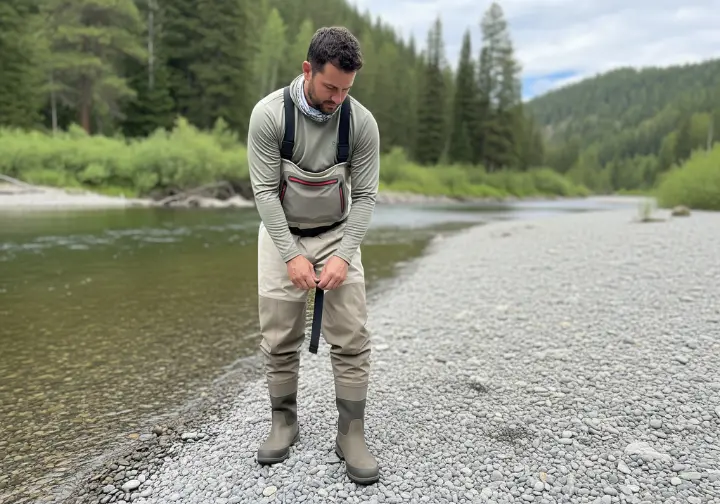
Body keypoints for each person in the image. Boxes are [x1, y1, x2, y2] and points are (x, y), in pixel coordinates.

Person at [246, 26, 381, 485]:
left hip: (338, 234)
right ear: (308, 70)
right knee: (279, 335)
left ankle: (351, 433)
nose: (338, 98)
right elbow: (264, 192)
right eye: (330, 87)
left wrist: (344, 255)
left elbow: (364, 196)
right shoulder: (269, 116)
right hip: (281, 233)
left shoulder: (360, 123)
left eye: (346, 89)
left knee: (352, 337)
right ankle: (284, 422)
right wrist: (291, 254)